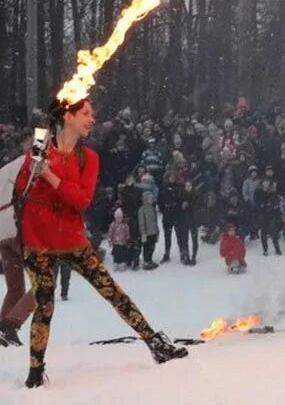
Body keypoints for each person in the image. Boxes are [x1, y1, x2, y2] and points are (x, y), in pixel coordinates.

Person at [13, 99, 187, 388]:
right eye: (86, 114)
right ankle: (35, 371)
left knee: (113, 292)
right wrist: (34, 162)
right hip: (37, 241)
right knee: (45, 304)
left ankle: (155, 343)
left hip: (71, 239)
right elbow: (21, 188)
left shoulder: (89, 157)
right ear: (68, 117)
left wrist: (51, 176)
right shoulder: (41, 145)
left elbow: (82, 200)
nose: (92, 119)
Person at [0, 152, 35, 347]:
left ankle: (3, 329)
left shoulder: (4, 171)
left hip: (2, 233)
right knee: (44, 284)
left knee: (15, 287)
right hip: (18, 230)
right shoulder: (29, 161)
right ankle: (11, 324)